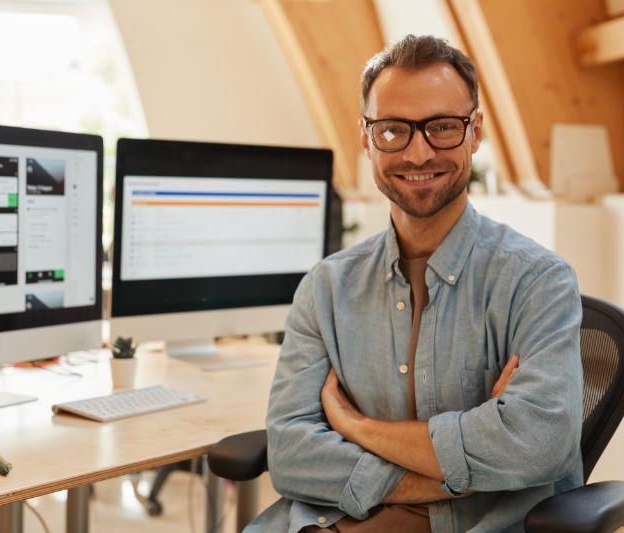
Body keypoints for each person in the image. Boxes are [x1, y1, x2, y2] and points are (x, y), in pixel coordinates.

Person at [247, 34, 584, 532]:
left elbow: (537, 445)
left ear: (476, 132)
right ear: (366, 138)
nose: (419, 153)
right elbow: (292, 454)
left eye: (443, 127)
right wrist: (464, 466)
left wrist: (356, 427)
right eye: (393, 131)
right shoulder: (326, 288)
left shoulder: (539, 282)